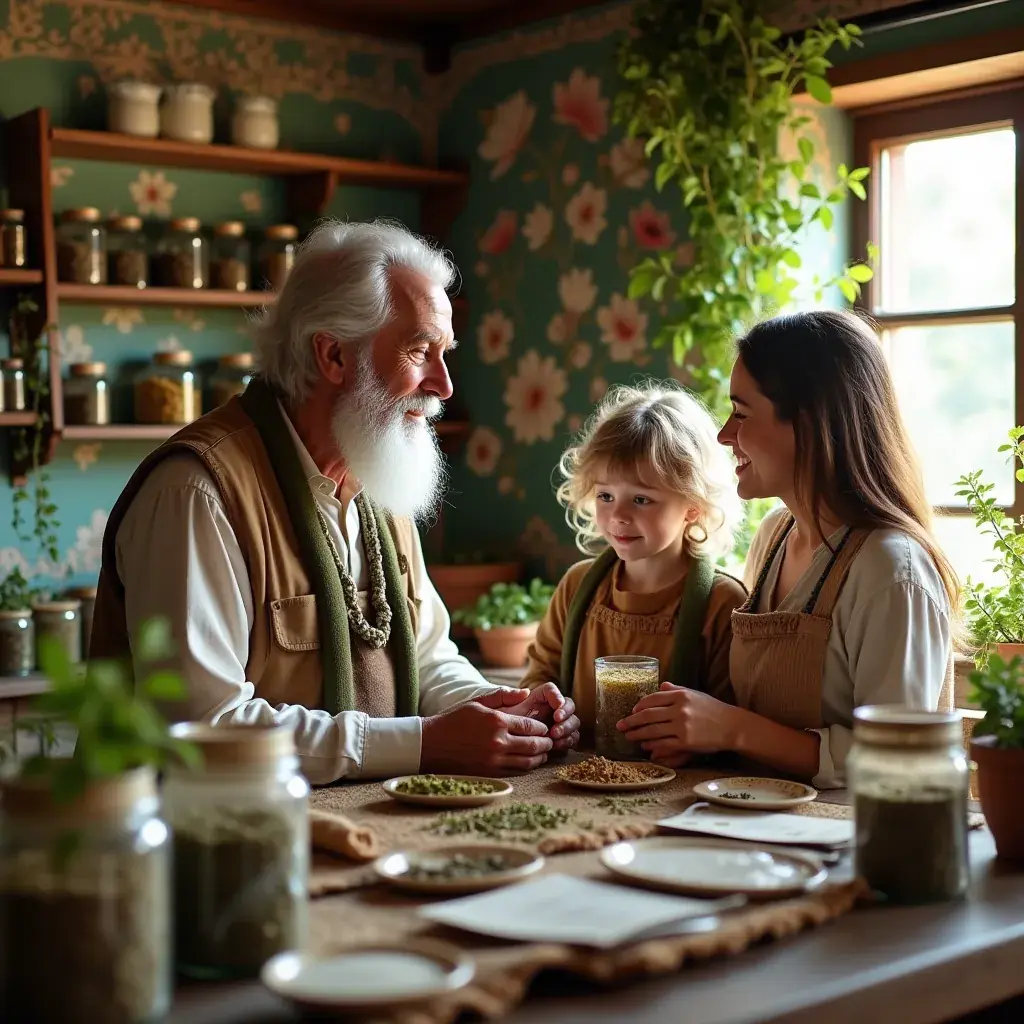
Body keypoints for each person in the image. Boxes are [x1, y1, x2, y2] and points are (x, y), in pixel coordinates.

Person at [90, 219, 580, 784]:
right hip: (199, 849)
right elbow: (207, 725)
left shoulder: (375, 471)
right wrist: (426, 744)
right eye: (420, 350)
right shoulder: (197, 492)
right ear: (333, 356)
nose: (444, 384)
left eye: (445, 352)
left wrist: (499, 708)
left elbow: (425, 656)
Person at [617, 309, 958, 788]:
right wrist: (702, 734)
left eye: (741, 412)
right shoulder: (775, 535)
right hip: (756, 821)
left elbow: (901, 759)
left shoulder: (892, 569)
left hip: (842, 838)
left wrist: (731, 728)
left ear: (810, 422)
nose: (723, 434)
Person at [519, 382, 748, 743]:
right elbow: (539, 675)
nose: (619, 516)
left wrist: (696, 748)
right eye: (606, 495)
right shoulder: (577, 588)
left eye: (641, 499)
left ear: (693, 507)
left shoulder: (723, 603)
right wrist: (549, 711)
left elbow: (734, 718)